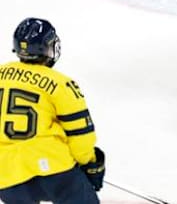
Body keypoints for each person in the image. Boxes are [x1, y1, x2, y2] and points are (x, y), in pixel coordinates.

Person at [0, 18, 106, 204]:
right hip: (53, 171)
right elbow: (81, 136)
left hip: (6, 174)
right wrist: (90, 165)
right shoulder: (60, 84)